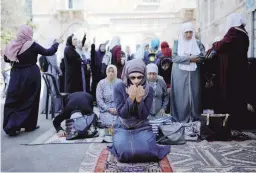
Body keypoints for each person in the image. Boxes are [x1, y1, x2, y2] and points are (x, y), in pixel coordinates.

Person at [3, 25, 63, 136]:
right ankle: (29, 126)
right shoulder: (32, 45)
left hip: (16, 75)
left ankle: (11, 125)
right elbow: (49, 52)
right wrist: (56, 43)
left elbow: (6, 59)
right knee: (30, 99)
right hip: (31, 74)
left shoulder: (12, 45)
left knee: (15, 99)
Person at [109, 59, 170, 163]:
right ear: (127, 75)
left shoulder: (149, 89)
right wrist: (131, 98)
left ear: (144, 76)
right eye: (132, 77)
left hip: (142, 125)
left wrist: (139, 100)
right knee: (124, 153)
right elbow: (122, 113)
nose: (136, 81)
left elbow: (144, 115)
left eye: (139, 77)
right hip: (123, 126)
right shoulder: (119, 87)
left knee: (146, 151)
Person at [206, 13, 250, 133]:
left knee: (231, 96)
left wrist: (214, 45)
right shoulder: (244, 33)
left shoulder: (234, 31)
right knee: (239, 97)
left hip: (232, 71)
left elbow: (223, 44)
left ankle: (230, 124)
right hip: (241, 69)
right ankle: (238, 124)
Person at [170, 22, 205, 123]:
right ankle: (181, 117)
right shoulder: (177, 42)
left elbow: (202, 57)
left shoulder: (197, 43)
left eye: (190, 32)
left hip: (194, 73)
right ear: (183, 32)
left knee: (195, 94)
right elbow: (175, 58)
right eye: (186, 32)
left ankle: (194, 116)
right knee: (180, 95)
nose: (189, 35)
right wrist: (191, 58)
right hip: (179, 73)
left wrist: (186, 58)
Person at [40, 37, 62, 114]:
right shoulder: (51, 52)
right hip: (52, 72)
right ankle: (52, 109)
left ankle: (45, 108)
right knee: (54, 91)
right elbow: (55, 65)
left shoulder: (46, 50)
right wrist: (60, 72)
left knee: (46, 91)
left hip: (47, 72)